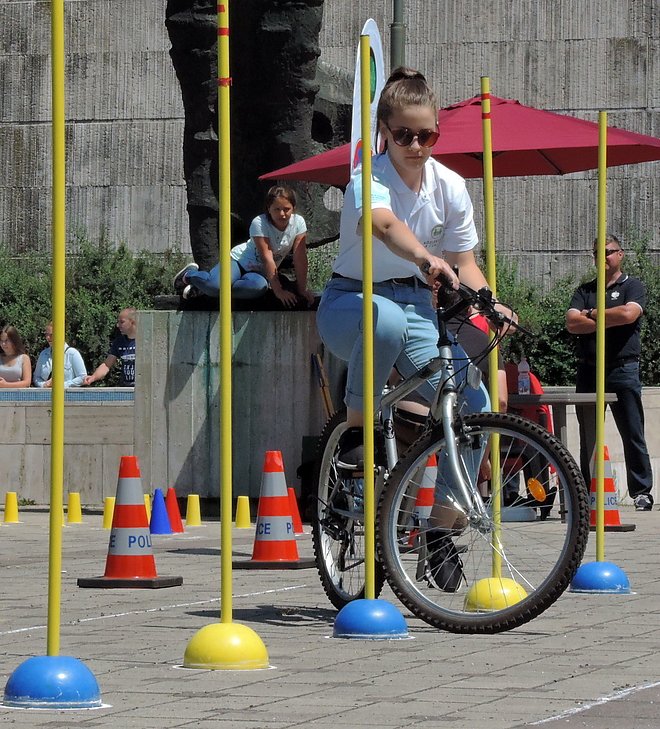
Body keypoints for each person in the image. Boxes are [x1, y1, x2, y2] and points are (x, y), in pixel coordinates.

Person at [316, 66, 510, 591]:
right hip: (351, 300)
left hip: (418, 307)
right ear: (384, 131)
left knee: (473, 401)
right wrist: (425, 259)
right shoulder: (368, 178)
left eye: (427, 135)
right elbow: (384, 226)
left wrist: (492, 303)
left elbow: (465, 263)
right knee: (385, 319)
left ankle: (441, 530)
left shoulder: (451, 185)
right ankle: (357, 435)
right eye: (404, 135)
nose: (416, 146)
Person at [565, 234, 653, 511]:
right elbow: (572, 323)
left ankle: (641, 492)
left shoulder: (632, 286)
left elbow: (628, 315)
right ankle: (588, 492)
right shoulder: (585, 290)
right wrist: (607, 317)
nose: (602, 257)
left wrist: (591, 314)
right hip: (589, 370)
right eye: (596, 253)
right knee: (589, 435)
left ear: (620, 254)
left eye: (607, 252)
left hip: (622, 369)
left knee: (632, 431)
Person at [173, 185, 315, 309]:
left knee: (259, 288)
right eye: (277, 209)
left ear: (293, 208)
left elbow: (300, 257)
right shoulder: (260, 223)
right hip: (238, 262)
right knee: (216, 286)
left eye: (286, 209)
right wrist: (278, 291)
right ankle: (188, 275)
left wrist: (302, 290)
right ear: (269, 209)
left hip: (258, 273)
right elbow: (267, 258)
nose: (282, 214)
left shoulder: (298, 223)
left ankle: (210, 289)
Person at [83, 308, 137, 388]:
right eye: (118, 322)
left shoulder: (147, 340)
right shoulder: (119, 341)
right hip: (125, 388)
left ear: (133, 322)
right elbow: (107, 365)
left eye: (122, 322)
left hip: (144, 389)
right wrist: (93, 377)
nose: (118, 325)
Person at [33, 322, 87, 388]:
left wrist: (63, 385)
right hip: (47, 392)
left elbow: (82, 377)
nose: (48, 337)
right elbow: (36, 377)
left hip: (68, 392)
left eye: (51, 335)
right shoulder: (43, 354)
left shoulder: (72, 353)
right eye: (46, 335)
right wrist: (44, 384)